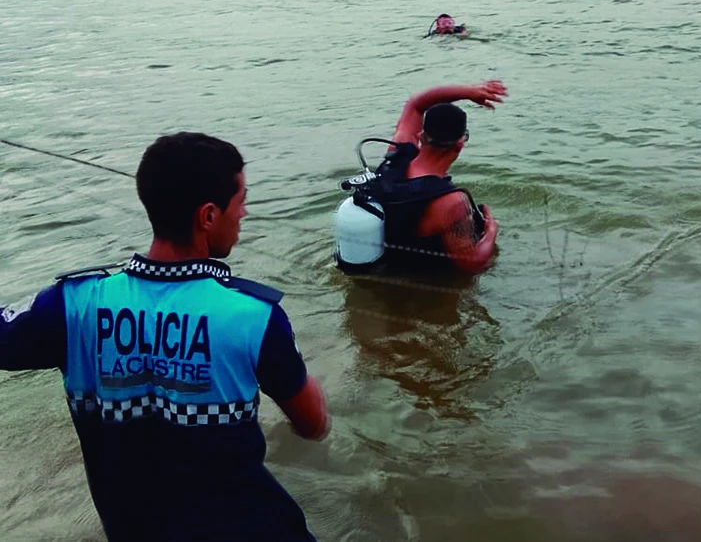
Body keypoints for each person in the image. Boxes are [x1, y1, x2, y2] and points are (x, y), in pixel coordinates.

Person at [0, 132, 329, 542]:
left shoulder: (72, 304)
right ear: (207, 216)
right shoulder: (253, 316)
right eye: (241, 200)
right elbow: (313, 423)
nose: (244, 214)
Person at [379, 80, 507, 275]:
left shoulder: (396, 154)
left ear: (421, 136)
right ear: (460, 144)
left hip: (381, 269)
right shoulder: (450, 202)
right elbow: (471, 263)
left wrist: (470, 92)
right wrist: (491, 231)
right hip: (419, 289)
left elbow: (416, 103)